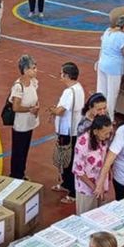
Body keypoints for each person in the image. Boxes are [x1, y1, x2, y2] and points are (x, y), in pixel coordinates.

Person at [49, 62, 85, 205]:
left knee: (67, 161)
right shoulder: (79, 88)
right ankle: (65, 183)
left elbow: (60, 111)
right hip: (74, 130)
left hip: (68, 131)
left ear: (68, 75)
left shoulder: (69, 92)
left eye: (62, 73)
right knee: (68, 160)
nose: (60, 76)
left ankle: (72, 191)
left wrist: (52, 110)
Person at [97, 15, 124, 118]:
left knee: (101, 91)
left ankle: (98, 114)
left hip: (102, 64)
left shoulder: (107, 31)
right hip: (113, 68)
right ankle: (109, 118)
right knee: (112, 95)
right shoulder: (121, 36)